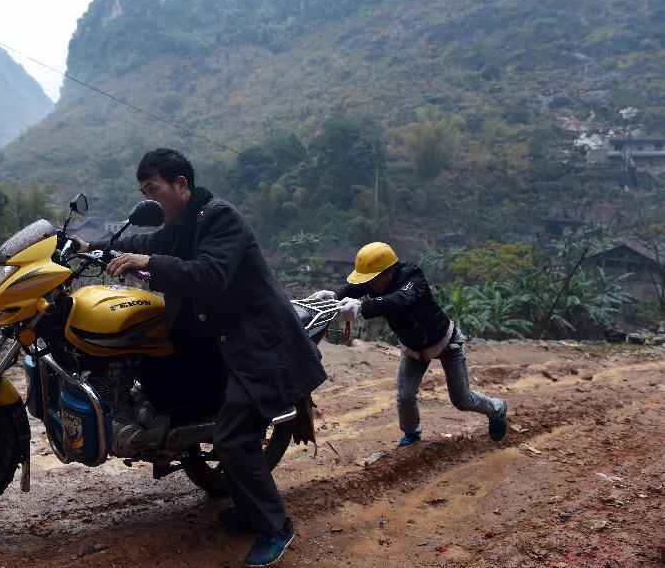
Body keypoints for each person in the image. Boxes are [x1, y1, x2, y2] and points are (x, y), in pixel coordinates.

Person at [74, 148, 326, 567]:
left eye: (154, 190)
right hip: (216, 339)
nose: (152, 200)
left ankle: (275, 526)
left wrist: (148, 262)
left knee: (232, 439)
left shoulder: (220, 217)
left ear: (182, 184)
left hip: (255, 344)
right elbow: (139, 242)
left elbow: (209, 274)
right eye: (144, 192)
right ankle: (240, 500)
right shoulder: (180, 224)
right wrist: (92, 247)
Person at [309, 242, 507, 447]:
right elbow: (355, 287)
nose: (370, 285)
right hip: (413, 348)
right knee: (405, 396)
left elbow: (400, 299)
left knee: (462, 400)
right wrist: (334, 295)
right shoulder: (374, 282)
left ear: (389, 272)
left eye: (373, 279)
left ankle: (497, 408)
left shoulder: (413, 278)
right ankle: (412, 432)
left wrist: (363, 305)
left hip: (446, 343)